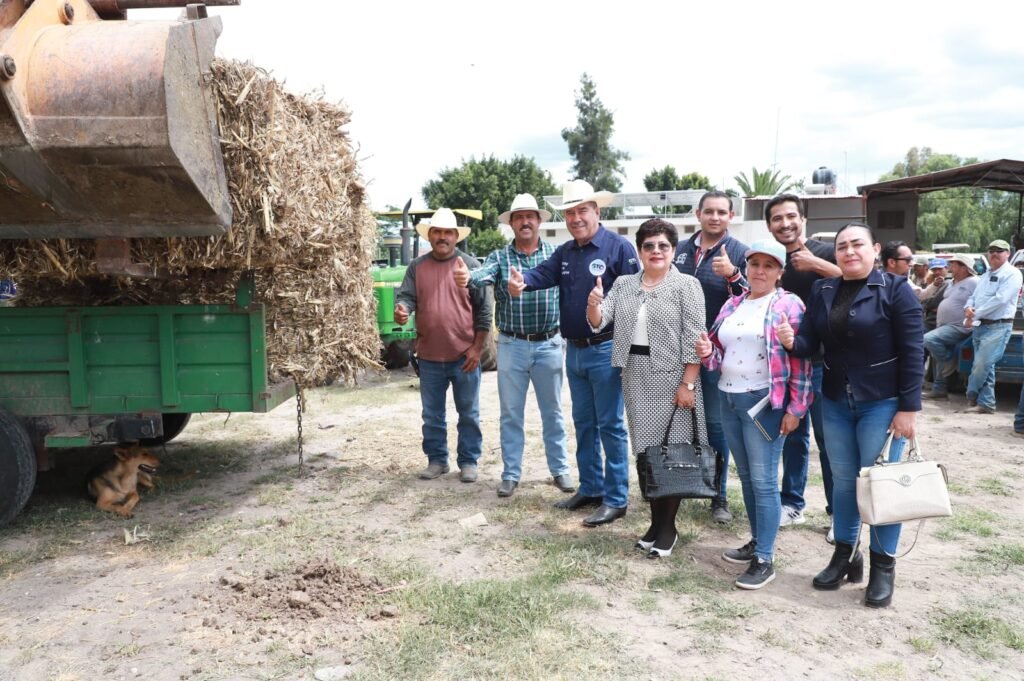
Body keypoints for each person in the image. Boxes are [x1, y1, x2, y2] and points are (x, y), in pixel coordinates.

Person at [777, 221, 924, 608]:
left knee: (881, 486)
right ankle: (845, 556)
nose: (849, 252)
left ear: (875, 249)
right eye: (842, 246)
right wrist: (794, 341)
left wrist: (909, 408)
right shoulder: (822, 288)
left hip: (883, 403)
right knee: (843, 483)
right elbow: (811, 342)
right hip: (836, 402)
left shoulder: (896, 290)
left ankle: (883, 568)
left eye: (857, 244)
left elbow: (912, 352)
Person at [509, 180, 639, 527]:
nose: (576, 217)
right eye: (570, 212)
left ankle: (616, 498)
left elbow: (636, 300)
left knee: (611, 426)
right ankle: (592, 488)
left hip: (608, 349)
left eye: (583, 210)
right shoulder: (566, 253)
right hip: (576, 352)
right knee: (584, 423)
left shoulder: (619, 248)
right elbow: (541, 274)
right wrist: (522, 281)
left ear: (597, 211)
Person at [695, 240, 812, 589]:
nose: (760, 271)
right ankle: (758, 541)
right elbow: (717, 356)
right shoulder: (734, 303)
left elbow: (800, 361)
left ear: (780, 272)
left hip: (764, 403)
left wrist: (796, 408)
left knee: (763, 481)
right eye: (755, 264)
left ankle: (765, 558)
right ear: (746, 267)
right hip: (728, 397)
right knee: (746, 477)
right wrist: (705, 352)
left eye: (768, 265)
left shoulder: (788, 304)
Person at [585, 219, 706, 557]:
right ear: (639, 250)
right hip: (635, 376)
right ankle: (655, 524)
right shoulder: (624, 283)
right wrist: (594, 302)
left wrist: (688, 383)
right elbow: (599, 320)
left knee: (672, 455)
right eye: (649, 246)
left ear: (673, 250)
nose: (656, 251)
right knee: (647, 455)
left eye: (663, 246)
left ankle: (668, 530)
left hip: (673, 379)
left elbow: (696, 339)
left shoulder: (687, 286)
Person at [454, 194, 575, 497]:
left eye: (529, 216)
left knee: (554, 412)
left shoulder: (555, 255)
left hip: (549, 343)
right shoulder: (499, 257)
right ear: (511, 223)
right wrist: (467, 277)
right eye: (518, 217)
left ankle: (560, 469)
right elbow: (481, 276)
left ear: (538, 221)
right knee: (510, 413)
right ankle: (510, 473)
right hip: (511, 344)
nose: (524, 221)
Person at [395, 208, 492, 482]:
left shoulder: (471, 266)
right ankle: (437, 460)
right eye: (437, 232)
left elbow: (484, 311)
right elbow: (406, 298)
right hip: (428, 356)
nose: (442, 237)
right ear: (430, 236)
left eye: (447, 232)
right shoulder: (417, 267)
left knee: (469, 414)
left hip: (465, 356)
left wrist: (476, 348)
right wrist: (402, 310)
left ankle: (469, 461)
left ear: (455, 237)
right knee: (432, 415)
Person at [764, 194, 840, 537]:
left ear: (803, 220)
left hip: (824, 363)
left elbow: (858, 279)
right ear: (769, 226)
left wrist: (817, 266)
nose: (785, 223)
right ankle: (792, 504)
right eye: (777, 219)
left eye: (791, 216)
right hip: (787, 366)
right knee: (792, 436)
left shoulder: (826, 252)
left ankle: (838, 510)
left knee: (829, 441)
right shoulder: (774, 259)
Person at [673, 190, 749, 523]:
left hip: (718, 355)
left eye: (721, 212)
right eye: (709, 211)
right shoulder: (679, 250)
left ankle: (718, 496)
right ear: (697, 213)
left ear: (731, 216)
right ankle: (680, 484)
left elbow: (753, 298)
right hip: (675, 351)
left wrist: (733, 274)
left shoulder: (740, 253)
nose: (715, 217)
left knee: (717, 426)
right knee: (679, 421)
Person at [962, 239, 1023, 414]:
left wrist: (976, 313)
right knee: (986, 366)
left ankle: (971, 393)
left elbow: (1001, 299)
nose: (995, 253)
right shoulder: (986, 274)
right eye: (992, 250)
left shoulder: (1013, 274)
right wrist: (968, 307)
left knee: (982, 364)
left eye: (999, 250)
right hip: (981, 325)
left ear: (1008, 254)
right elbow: (974, 296)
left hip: (999, 326)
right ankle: (987, 403)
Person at [922, 254, 977, 400]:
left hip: (960, 326)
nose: (950, 267)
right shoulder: (951, 282)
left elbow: (980, 301)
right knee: (936, 354)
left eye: (953, 264)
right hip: (945, 325)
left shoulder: (974, 282)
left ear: (964, 268)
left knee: (928, 340)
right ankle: (939, 389)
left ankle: (949, 360)